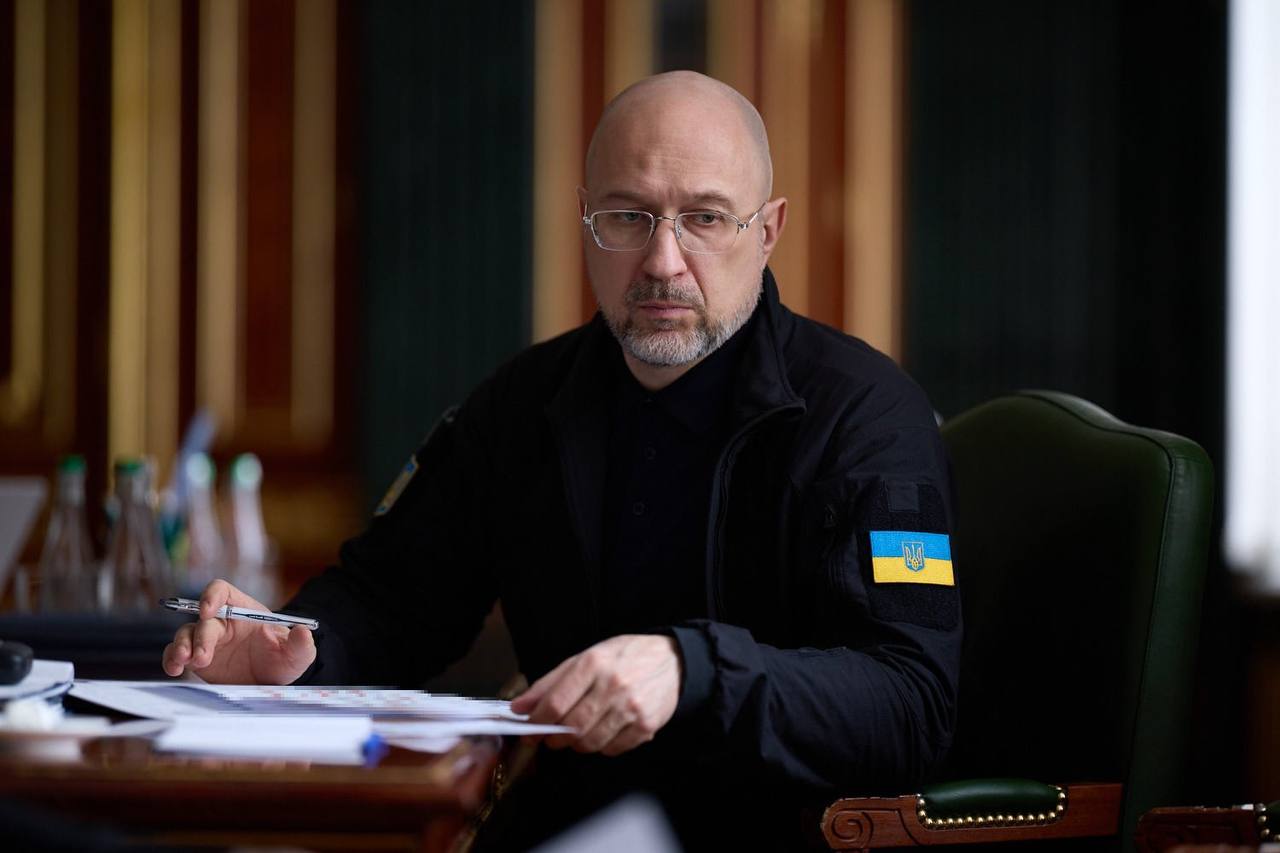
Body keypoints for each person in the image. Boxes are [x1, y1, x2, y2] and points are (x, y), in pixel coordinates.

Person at [162, 71, 961, 849]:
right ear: (585, 220)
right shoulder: (523, 405)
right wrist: (299, 651)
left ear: (769, 230)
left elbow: (910, 703)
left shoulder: (865, 416)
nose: (663, 261)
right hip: (567, 825)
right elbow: (392, 598)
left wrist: (694, 669)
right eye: (627, 216)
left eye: (706, 218)